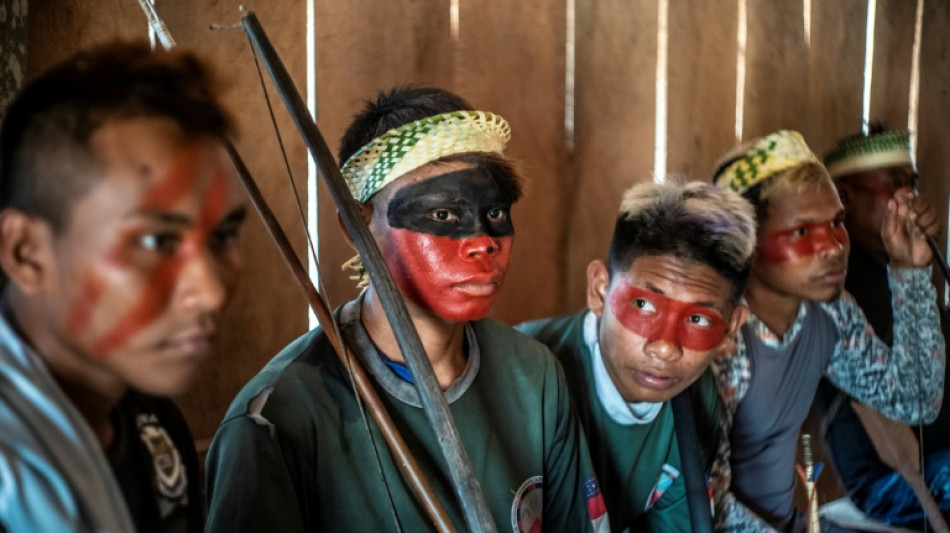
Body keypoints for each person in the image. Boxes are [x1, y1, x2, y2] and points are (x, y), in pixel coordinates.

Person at [204, 86, 607, 532]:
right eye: (442, 215)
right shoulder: (277, 419)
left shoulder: (535, 376)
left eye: (494, 212)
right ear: (359, 225)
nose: (483, 242)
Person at [0, 41, 246, 532]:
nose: (210, 292)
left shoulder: (154, 430)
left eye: (222, 236)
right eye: (157, 240)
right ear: (26, 253)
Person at [710, 130, 945, 532]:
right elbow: (700, 499)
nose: (834, 246)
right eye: (802, 232)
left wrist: (909, 273)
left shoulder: (828, 313)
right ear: (744, 243)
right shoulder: (719, 339)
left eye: (836, 223)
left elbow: (915, 402)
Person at [517, 180, 756, 531]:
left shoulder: (696, 401)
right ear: (599, 289)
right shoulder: (519, 374)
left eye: (698, 319)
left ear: (732, 326)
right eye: (643, 305)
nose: (664, 346)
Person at [813, 125, 950, 529]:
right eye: (892, 183)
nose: (909, 196)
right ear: (844, 194)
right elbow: (915, 399)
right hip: (892, 478)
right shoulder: (835, 285)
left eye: (912, 182)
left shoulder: (904, 267)